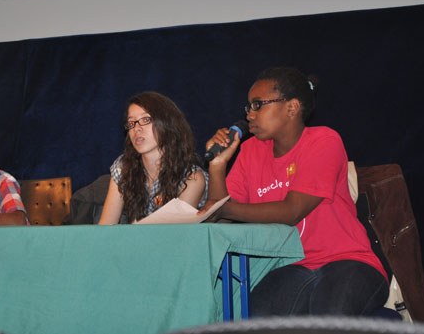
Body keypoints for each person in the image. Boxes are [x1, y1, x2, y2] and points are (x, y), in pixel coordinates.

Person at [203, 67, 388, 316]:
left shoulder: (324, 140)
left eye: (258, 105)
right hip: (290, 266)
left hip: (347, 260)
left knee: (330, 313)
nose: (249, 115)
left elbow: (292, 211)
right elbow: (220, 218)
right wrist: (217, 166)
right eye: (248, 107)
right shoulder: (250, 151)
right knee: (255, 320)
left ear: (291, 107)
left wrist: (224, 208)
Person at [99, 91, 207, 224]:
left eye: (145, 120)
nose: (136, 129)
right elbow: (105, 227)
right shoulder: (123, 167)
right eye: (131, 123)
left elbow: (173, 234)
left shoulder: (191, 178)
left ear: (167, 124)